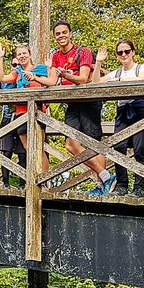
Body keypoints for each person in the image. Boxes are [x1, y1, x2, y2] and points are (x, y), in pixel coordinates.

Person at [50, 21, 114, 195]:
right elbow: (53, 81)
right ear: (54, 37)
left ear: (70, 34)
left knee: (92, 143)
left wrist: (65, 75)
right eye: (58, 33)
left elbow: (84, 78)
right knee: (70, 144)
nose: (61, 36)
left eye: (64, 32)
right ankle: (106, 176)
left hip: (88, 102)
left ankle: (103, 185)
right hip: (71, 103)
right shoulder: (56, 56)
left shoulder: (82, 51)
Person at [0, 41, 56, 184]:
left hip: (38, 114)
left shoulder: (40, 68)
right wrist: (0, 58)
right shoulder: (17, 72)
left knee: (39, 147)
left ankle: (45, 179)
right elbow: (1, 79)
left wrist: (35, 77)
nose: (22, 56)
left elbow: (51, 82)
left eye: (24, 53)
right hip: (20, 114)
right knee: (29, 149)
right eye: (19, 54)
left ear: (30, 55)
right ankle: (35, 179)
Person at [99, 40, 144, 197]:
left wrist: (119, 81)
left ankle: (139, 188)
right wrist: (98, 63)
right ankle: (122, 185)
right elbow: (95, 82)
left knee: (140, 149)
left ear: (133, 52)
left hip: (140, 109)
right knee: (118, 147)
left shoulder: (140, 68)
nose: (123, 55)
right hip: (123, 111)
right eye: (120, 52)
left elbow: (142, 79)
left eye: (127, 51)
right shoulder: (116, 72)